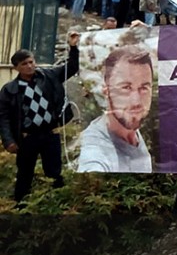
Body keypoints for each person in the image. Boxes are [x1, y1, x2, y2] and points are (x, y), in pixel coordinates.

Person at [0, 32, 80, 203]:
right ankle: (21, 207)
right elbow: (4, 117)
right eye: (24, 64)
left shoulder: (48, 76)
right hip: (27, 137)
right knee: (25, 173)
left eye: (31, 62)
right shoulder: (10, 89)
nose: (30, 66)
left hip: (50, 133)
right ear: (16, 68)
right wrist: (8, 141)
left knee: (54, 172)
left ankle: (59, 205)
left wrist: (73, 47)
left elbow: (72, 67)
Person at [78, 45, 153, 173]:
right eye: (126, 87)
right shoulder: (95, 149)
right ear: (106, 91)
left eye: (144, 88)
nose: (136, 101)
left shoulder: (130, 129)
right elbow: (91, 166)